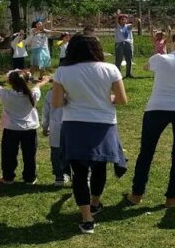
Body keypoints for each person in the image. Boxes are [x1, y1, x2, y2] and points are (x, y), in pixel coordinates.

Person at [51, 35, 129, 234]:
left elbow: (57, 103)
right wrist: (107, 98)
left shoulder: (62, 71)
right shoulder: (110, 68)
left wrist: (72, 98)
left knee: (79, 173)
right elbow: (122, 100)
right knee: (100, 166)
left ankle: (87, 219)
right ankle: (95, 203)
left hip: (74, 124)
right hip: (103, 124)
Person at [126, 32, 175, 208]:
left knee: (146, 152)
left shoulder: (160, 59)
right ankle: (172, 197)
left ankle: (136, 194)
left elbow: (146, 67)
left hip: (157, 108)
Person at [0, 69, 50, 185]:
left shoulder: (5, 94)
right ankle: (30, 178)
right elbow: (38, 85)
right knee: (29, 155)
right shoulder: (32, 94)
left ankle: (8, 178)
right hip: (29, 129)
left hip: (10, 129)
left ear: (10, 82)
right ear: (27, 82)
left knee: (8, 154)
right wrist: (45, 80)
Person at [41, 91, 68, 186]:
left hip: (59, 126)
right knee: (61, 153)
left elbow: (45, 112)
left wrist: (45, 126)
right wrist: (45, 126)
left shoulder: (51, 93)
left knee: (57, 153)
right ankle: (61, 177)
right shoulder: (75, 90)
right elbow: (46, 111)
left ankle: (60, 177)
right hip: (69, 126)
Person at [114, 12, 139, 79]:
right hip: (119, 44)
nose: (124, 20)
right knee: (119, 59)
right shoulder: (118, 26)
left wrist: (137, 21)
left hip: (128, 44)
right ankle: (117, 74)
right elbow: (116, 21)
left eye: (125, 19)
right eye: (122, 19)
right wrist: (117, 15)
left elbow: (134, 24)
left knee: (129, 59)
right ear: (119, 20)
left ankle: (128, 74)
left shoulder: (128, 26)